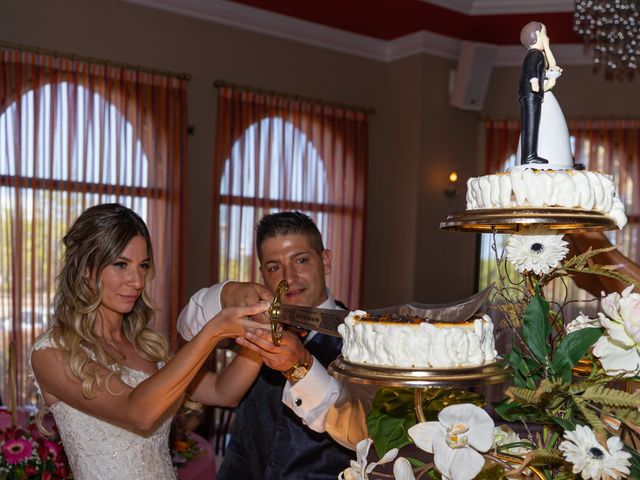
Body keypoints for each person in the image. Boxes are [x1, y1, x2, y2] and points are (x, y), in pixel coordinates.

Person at [29, 203, 268, 480]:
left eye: (142, 266)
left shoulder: (144, 347)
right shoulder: (52, 353)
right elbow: (138, 411)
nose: (137, 281)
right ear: (86, 268)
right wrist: (213, 331)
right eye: (121, 265)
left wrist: (262, 334)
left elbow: (224, 391)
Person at [177, 211, 363, 479]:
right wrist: (227, 293)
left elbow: (363, 436)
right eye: (275, 267)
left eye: (301, 260)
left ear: (325, 261)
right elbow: (185, 327)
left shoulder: (363, 339)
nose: (289, 277)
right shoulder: (254, 323)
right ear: (263, 273)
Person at [518, 21, 556, 165]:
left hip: (531, 94)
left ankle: (529, 155)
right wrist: (534, 80)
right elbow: (530, 68)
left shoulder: (538, 54)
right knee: (530, 125)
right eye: (545, 35)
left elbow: (546, 68)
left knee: (531, 125)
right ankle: (529, 156)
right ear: (538, 35)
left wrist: (547, 84)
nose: (547, 39)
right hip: (530, 94)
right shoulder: (536, 54)